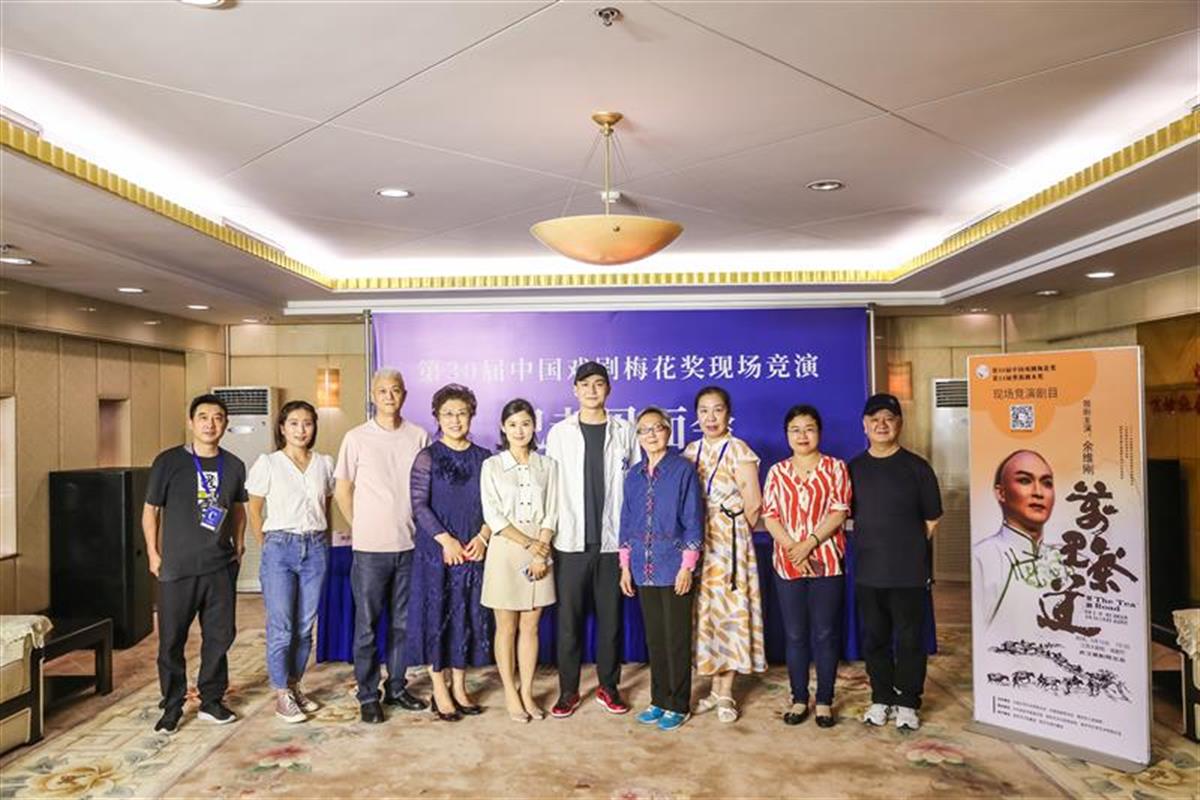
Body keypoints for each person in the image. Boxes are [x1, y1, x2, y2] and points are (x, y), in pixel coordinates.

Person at [142, 393, 248, 734]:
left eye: (218, 418)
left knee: (220, 637)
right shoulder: (168, 462)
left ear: (226, 424)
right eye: (203, 417)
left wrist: (239, 545)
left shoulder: (234, 465)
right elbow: (150, 511)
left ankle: (212, 700)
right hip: (178, 567)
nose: (210, 424)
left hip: (219, 566)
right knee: (171, 640)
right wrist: (154, 553)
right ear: (191, 422)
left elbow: (239, 508)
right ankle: (173, 704)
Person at [334, 368, 431, 724]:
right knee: (368, 625)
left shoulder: (418, 435)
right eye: (382, 391)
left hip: (410, 546)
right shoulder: (356, 437)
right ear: (373, 396)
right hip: (370, 549)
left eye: (395, 390)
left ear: (404, 394)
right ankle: (367, 695)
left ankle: (397, 687)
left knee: (404, 624)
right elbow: (343, 489)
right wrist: (360, 525)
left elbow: (426, 488)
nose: (389, 396)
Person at [545, 361, 638, 718]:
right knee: (569, 623)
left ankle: (609, 687)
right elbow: (551, 487)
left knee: (611, 622)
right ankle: (568, 691)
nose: (592, 390)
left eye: (599, 384)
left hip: (612, 545)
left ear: (608, 389)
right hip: (571, 543)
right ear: (575, 390)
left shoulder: (625, 431)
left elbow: (634, 483)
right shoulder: (560, 433)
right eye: (585, 385)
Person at [848, 393, 942, 732]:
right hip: (868, 572)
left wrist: (904, 547)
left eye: (888, 418)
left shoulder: (917, 467)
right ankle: (881, 697)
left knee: (910, 640)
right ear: (864, 425)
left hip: (909, 573)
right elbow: (846, 516)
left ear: (899, 424)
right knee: (874, 639)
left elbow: (931, 520)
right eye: (874, 419)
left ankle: (908, 702)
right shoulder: (853, 469)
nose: (881, 425)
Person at [761, 405, 851, 728]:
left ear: (819, 432)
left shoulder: (836, 468)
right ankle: (799, 698)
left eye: (809, 428)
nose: (802, 435)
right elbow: (770, 516)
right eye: (795, 430)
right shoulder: (777, 472)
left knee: (825, 633)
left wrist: (808, 543)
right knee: (795, 634)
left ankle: (824, 700)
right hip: (787, 564)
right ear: (787, 435)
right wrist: (793, 549)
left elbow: (839, 512)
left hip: (827, 561)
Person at [407, 384, 493, 722]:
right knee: (437, 616)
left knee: (466, 617)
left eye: (461, 413)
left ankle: (459, 686)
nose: (455, 420)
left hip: (473, 550)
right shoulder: (427, 457)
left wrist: (483, 537)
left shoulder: (484, 458)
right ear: (437, 417)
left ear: (471, 415)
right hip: (437, 552)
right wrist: (446, 541)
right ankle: (438, 689)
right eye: (447, 414)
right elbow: (419, 505)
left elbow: (496, 504)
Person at [246, 400, 335, 724]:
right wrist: (266, 544)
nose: (301, 429)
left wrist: (325, 542)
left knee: (305, 626)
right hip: (280, 547)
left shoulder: (324, 463)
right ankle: (281, 693)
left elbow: (326, 506)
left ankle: (295, 685)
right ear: (282, 428)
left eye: (307, 423)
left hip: (316, 546)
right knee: (282, 626)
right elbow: (254, 509)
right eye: (294, 423)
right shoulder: (268, 463)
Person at [618, 407, 704, 732]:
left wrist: (687, 567)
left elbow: (693, 520)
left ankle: (678, 704)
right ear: (638, 437)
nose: (651, 434)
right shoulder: (633, 475)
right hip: (642, 565)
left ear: (668, 431)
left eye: (657, 428)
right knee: (655, 638)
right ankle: (659, 699)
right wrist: (625, 567)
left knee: (676, 638)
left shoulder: (682, 470)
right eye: (644, 430)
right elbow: (626, 522)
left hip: (674, 564)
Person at [683, 386, 765, 723]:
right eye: (704, 410)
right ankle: (713, 690)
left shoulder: (739, 450)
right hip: (698, 541)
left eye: (717, 410)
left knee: (730, 612)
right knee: (707, 614)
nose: (711, 417)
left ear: (728, 413)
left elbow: (754, 504)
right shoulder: (691, 451)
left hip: (729, 544)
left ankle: (727, 692)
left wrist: (735, 539)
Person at [481, 398, 559, 723]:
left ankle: (527, 691)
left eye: (525, 423)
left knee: (531, 626)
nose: (519, 430)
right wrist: (529, 545)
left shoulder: (547, 465)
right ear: (503, 427)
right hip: (506, 547)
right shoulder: (492, 466)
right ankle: (510, 693)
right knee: (506, 627)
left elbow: (553, 510)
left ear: (534, 426)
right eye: (512, 424)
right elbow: (493, 514)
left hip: (541, 547)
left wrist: (541, 548)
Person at [973, 450, 1063, 628]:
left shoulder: (1070, 560)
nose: (1038, 492)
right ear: (1001, 493)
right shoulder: (982, 558)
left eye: (1047, 483)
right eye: (1025, 481)